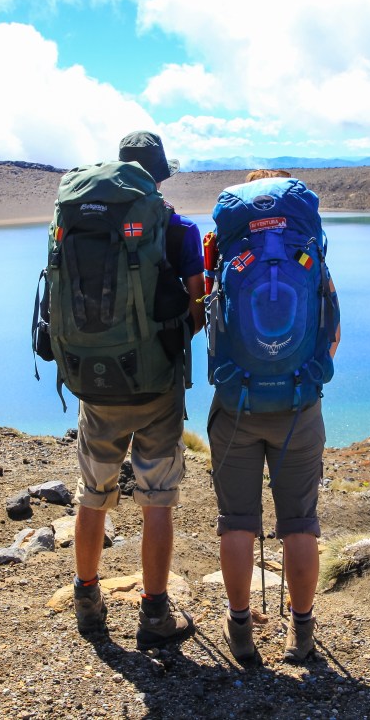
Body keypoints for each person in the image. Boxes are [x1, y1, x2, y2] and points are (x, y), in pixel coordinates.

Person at [71, 131, 205, 650]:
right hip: (156, 387)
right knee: (157, 501)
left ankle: (87, 600)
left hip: (96, 386)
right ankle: (154, 614)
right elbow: (197, 309)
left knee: (92, 494)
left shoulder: (83, 218)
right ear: (161, 174)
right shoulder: (180, 229)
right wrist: (166, 341)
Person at [207, 170, 340, 664]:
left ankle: (239, 629)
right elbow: (332, 332)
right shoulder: (309, 257)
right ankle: (301, 633)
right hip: (299, 408)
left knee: (237, 522)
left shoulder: (230, 254)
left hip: (236, 405)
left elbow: (211, 323)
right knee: (299, 524)